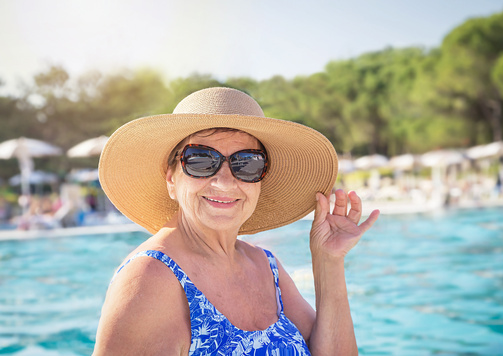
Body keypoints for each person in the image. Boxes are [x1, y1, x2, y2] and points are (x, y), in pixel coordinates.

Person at [93, 87, 379, 355]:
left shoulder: (266, 266)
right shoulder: (150, 279)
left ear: (260, 179)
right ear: (171, 178)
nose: (225, 181)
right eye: (201, 160)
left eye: (247, 163)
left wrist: (329, 261)